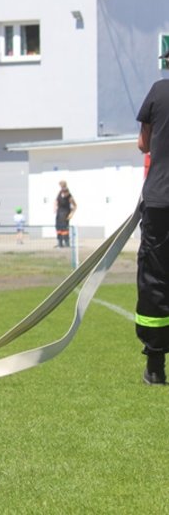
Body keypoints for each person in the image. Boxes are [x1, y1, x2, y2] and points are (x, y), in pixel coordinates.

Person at [135, 75, 169, 385]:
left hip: (161, 201)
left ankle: (156, 367)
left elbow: (143, 144)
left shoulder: (159, 90)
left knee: (155, 280)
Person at [53, 181, 76, 248]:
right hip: (59, 213)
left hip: (65, 213)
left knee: (64, 228)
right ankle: (60, 242)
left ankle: (66, 242)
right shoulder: (60, 193)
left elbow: (75, 206)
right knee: (58, 227)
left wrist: (71, 214)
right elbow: (56, 200)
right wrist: (55, 207)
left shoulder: (69, 196)